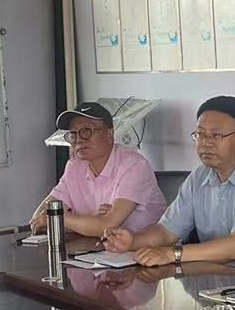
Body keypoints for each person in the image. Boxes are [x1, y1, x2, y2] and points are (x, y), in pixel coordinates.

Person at [102, 95, 235, 280]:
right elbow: (167, 231)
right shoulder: (199, 177)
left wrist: (172, 254)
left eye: (216, 135)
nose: (205, 143)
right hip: (218, 282)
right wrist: (132, 241)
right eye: (200, 134)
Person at [30, 101, 166, 238]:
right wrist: (89, 222)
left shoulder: (135, 165)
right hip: (97, 246)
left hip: (146, 247)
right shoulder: (74, 167)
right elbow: (38, 220)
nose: (79, 140)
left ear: (109, 134)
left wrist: (63, 218)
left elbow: (106, 227)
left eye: (86, 131)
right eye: (73, 134)